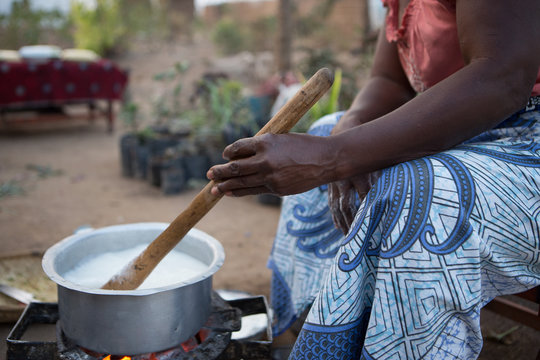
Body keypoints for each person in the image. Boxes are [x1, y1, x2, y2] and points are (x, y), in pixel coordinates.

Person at [207, 0, 540, 358]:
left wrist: (333, 157)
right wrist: (346, 131)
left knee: (418, 192)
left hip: (526, 138)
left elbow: (502, 77)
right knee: (324, 133)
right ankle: (322, 328)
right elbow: (388, 79)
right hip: (463, 127)